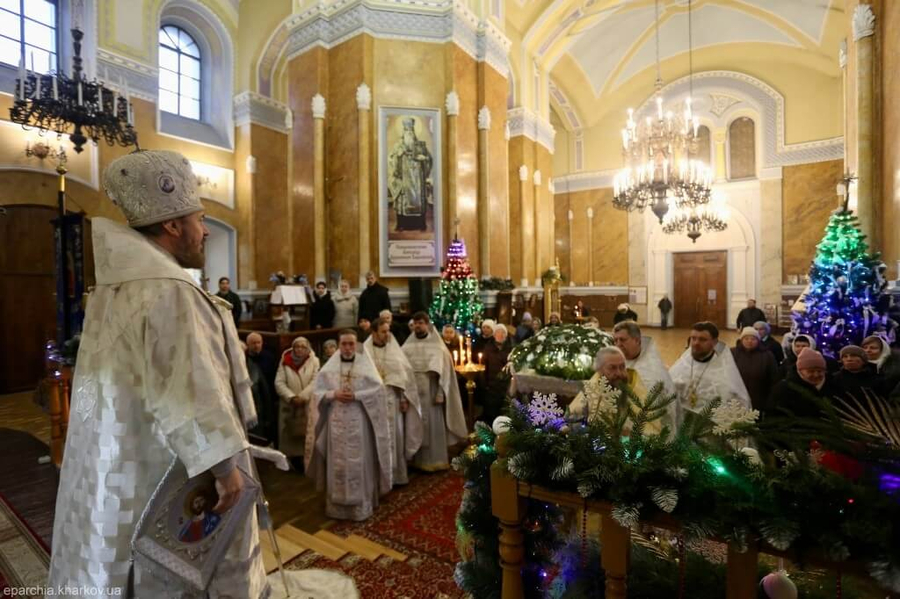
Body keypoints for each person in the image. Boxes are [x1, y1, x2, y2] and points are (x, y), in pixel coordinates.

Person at [49, 150, 267, 596]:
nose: (205, 231)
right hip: (167, 468)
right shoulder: (171, 291)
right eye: (199, 220)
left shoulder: (116, 285)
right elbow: (189, 388)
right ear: (173, 225)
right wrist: (226, 469)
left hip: (119, 457)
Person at [308, 330, 391, 520]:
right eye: (344, 344)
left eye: (351, 344)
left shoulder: (365, 366)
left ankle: (359, 507)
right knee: (337, 462)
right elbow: (317, 394)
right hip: (335, 421)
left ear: (357, 345)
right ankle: (336, 507)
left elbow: (378, 390)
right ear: (339, 345)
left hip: (358, 420)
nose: (347, 348)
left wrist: (357, 395)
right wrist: (333, 394)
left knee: (358, 461)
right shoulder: (329, 368)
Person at [402, 312, 468, 471]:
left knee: (433, 426)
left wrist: (440, 393)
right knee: (416, 423)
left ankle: (436, 460)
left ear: (427, 324)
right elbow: (401, 368)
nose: (418, 325)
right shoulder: (407, 345)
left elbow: (445, 371)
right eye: (416, 323)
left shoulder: (437, 345)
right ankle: (418, 461)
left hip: (431, 391)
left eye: (421, 323)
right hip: (414, 391)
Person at [365, 318, 424, 485]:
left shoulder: (394, 349)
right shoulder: (365, 351)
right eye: (383, 331)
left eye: (388, 330)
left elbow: (404, 376)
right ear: (374, 332)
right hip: (373, 402)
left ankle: (396, 476)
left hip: (392, 400)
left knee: (395, 437)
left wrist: (404, 398)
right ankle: (378, 478)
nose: (387, 334)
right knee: (375, 437)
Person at [669, 322, 751, 417]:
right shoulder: (682, 364)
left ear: (715, 342)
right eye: (693, 338)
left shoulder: (723, 368)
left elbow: (737, 400)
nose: (696, 343)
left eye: (702, 339)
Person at [612, 321, 679, 427]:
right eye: (615, 340)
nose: (618, 344)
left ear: (637, 341)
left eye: (623, 340)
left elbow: (654, 407)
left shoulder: (652, 369)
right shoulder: (615, 361)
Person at [274, 337, 320, 472]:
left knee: (306, 433)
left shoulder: (314, 361)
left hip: (306, 403)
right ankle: (291, 460)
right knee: (289, 434)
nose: (300, 349)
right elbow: (279, 382)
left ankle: (306, 460)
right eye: (297, 347)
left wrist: (303, 396)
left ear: (308, 348)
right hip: (290, 405)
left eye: (303, 347)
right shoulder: (284, 361)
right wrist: (292, 397)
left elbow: (316, 380)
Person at [388, 117, 433, 231]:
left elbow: (429, 158)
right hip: (404, 179)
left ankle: (420, 224)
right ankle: (401, 224)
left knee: (418, 199)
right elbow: (391, 159)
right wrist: (398, 155)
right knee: (403, 199)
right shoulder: (398, 145)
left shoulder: (420, 146)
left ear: (413, 131)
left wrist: (424, 158)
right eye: (406, 130)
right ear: (403, 131)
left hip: (417, 181)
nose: (409, 133)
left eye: (410, 131)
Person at [768, 348, 839, 419]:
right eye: (811, 371)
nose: (816, 375)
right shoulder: (784, 389)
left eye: (820, 371)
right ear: (800, 370)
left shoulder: (833, 386)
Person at [731, 327, 779, 413]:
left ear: (758, 340)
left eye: (753, 339)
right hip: (736, 399)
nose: (749, 341)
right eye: (746, 338)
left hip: (759, 398)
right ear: (741, 340)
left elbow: (774, 377)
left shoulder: (767, 355)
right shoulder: (732, 353)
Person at [482, 325, 512, 424]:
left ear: (506, 335)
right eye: (498, 333)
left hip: (506, 385)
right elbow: (483, 367)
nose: (500, 335)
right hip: (492, 385)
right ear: (494, 335)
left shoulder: (510, 348)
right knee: (491, 412)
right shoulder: (488, 347)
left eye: (502, 333)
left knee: (505, 411)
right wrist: (484, 384)